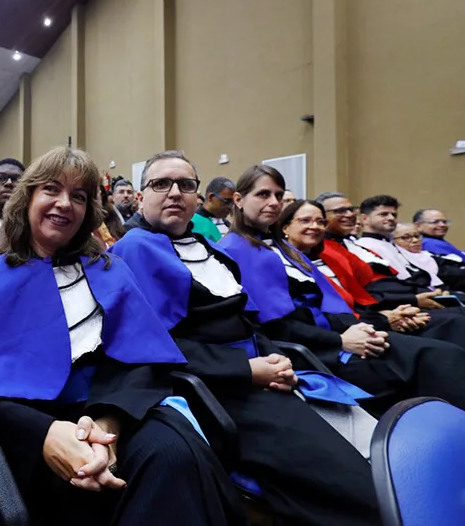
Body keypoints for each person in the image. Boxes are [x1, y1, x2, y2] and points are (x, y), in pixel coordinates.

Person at [0, 147, 245, 526]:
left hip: (120, 410)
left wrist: (107, 424)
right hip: (29, 431)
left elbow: (146, 356)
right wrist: (46, 434)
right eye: (52, 190)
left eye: (78, 196)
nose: (65, 203)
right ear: (27, 197)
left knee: (174, 457)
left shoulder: (111, 270)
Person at [112, 152, 381, 526]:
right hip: (217, 389)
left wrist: (277, 362)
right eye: (161, 184)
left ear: (196, 196)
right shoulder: (133, 249)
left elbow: (246, 319)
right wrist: (248, 369)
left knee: (374, 450)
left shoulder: (204, 248)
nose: (175, 193)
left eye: (186, 185)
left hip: (263, 374)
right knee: (356, 489)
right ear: (141, 197)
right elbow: (153, 347)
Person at [220, 168, 465, 410]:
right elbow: (276, 325)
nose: (274, 202)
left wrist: (363, 328)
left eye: (279, 195)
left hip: (333, 333)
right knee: (437, 357)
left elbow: (328, 302)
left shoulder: (282, 249)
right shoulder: (235, 250)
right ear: (239, 200)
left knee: (444, 350)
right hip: (309, 350)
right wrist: (342, 340)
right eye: (263, 194)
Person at [316, 192, 465, 349]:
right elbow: (359, 294)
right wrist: (407, 303)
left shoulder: (352, 245)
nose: (349, 214)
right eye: (340, 211)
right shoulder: (324, 249)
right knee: (455, 323)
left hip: (397, 303)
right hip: (373, 313)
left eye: (351, 209)